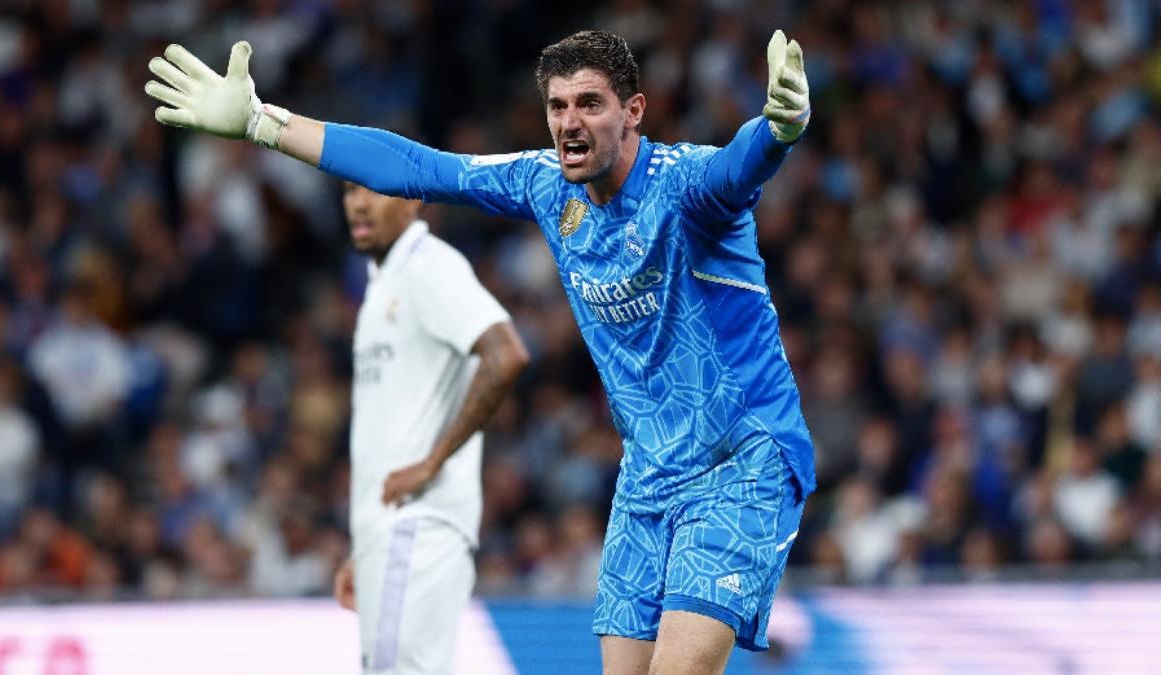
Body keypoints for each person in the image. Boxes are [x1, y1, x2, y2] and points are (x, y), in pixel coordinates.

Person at [145, 27, 814, 675]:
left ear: (633, 111)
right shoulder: (547, 185)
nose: (569, 121)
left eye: (590, 103)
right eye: (557, 105)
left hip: (741, 456)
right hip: (649, 471)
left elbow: (738, 165)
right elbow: (418, 167)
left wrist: (779, 130)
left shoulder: (688, 188)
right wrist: (265, 123)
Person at [330, 179, 527, 673]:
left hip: (416, 524)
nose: (358, 203)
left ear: (414, 197)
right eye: (349, 189)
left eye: (372, 189)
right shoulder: (384, 281)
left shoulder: (429, 265)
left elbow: (506, 355)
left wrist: (432, 463)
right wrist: (365, 548)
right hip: (391, 535)